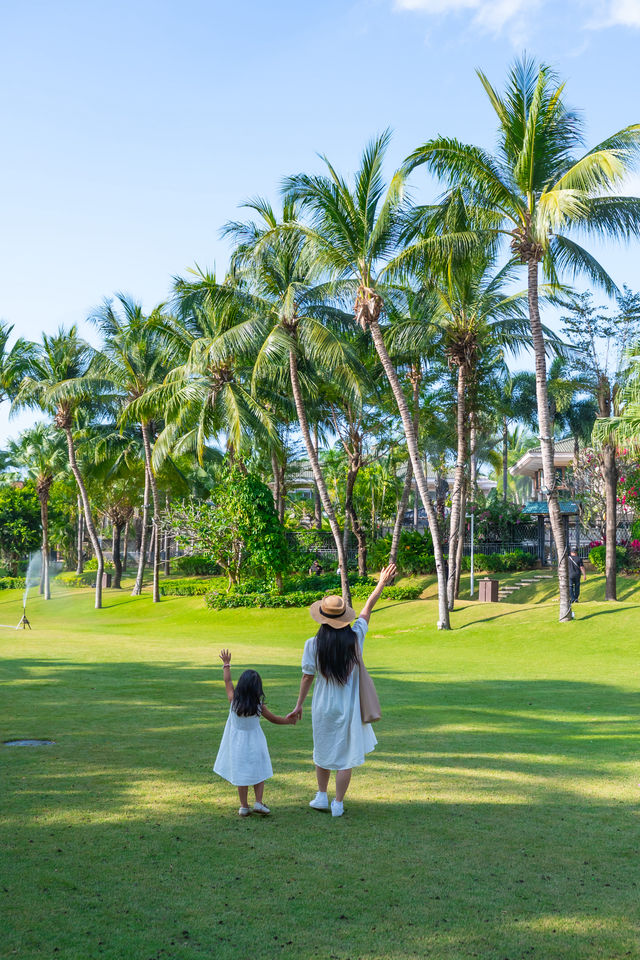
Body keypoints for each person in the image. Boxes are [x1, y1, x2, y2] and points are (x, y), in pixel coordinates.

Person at [287, 563, 397, 818]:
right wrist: (380, 583)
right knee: (345, 755)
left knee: (322, 750)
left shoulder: (313, 644)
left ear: (323, 618)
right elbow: (367, 611)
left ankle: (322, 795)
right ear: (344, 617)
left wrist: (299, 705)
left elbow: (307, 677)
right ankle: (338, 803)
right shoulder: (355, 637)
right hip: (349, 707)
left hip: (323, 706)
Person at [214, 650, 296, 816]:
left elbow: (228, 681)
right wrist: (288, 720)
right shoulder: (259, 705)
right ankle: (258, 802)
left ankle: (244, 806)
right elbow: (274, 719)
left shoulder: (233, 701)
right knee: (259, 771)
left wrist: (226, 664)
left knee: (241, 774)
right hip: (255, 741)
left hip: (237, 743)